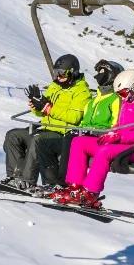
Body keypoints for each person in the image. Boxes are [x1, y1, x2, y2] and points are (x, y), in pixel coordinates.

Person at [53, 69, 134, 210]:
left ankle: (91, 192)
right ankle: (75, 187)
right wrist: (112, 132)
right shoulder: (129, 101)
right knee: (79, 142)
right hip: (121, 144)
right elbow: (121, 124)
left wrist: (119, 137)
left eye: (123, 93)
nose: (123, 98)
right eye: (119, 95)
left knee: (105, 151)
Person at [30, 59, 122, 195]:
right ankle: (57, 184)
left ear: (112, 76)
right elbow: (85, 120)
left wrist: (96, 132)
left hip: (99, 138)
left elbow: (116, 124)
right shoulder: (97, 97)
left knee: (71, 138)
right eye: (97, 72)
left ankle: (65, 184)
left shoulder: (115, 98)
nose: (97, 76)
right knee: (45, 142)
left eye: (102, 73)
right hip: (85, 135)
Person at [2, 54, 89, 190]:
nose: (58, 77)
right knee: (13, 136)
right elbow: (43, 111)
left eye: (61, 73)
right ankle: (15, 176)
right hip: (45, 128)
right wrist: (36, 105)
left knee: (37, 139)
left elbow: (74, 117)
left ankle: (27, 181)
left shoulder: (81, 91)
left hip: (62, 134)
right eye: (56, 73)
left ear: (73, 72)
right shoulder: (55, 86)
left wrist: (49, 108)